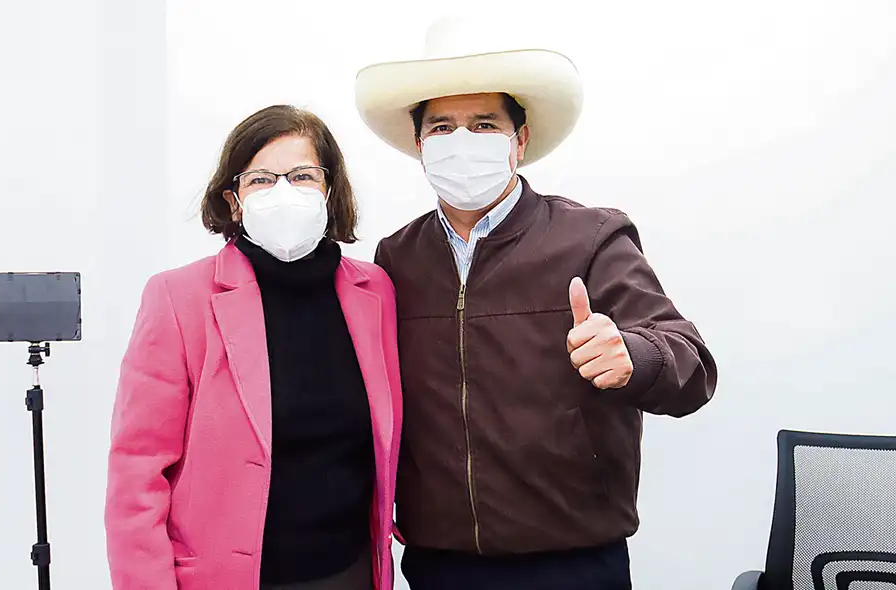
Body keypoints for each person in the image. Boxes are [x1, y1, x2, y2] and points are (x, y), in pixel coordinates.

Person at [354, 18, 718, 590]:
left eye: (483, 124)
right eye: (443, 127)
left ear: (519, 140)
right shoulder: (396, 257)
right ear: (420, 144)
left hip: (571, 562)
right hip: (438, 564)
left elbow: (691, 365)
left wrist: (635, 355)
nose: (462, 142)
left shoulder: (592, 237)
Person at [104, 105, 402, 590]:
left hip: (350, 573)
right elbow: (137, 471)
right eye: (261, 179)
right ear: (234, 199)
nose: (283, 191)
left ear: (330, 190)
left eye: (303, 175)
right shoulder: (179, 299)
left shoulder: (376, 293)